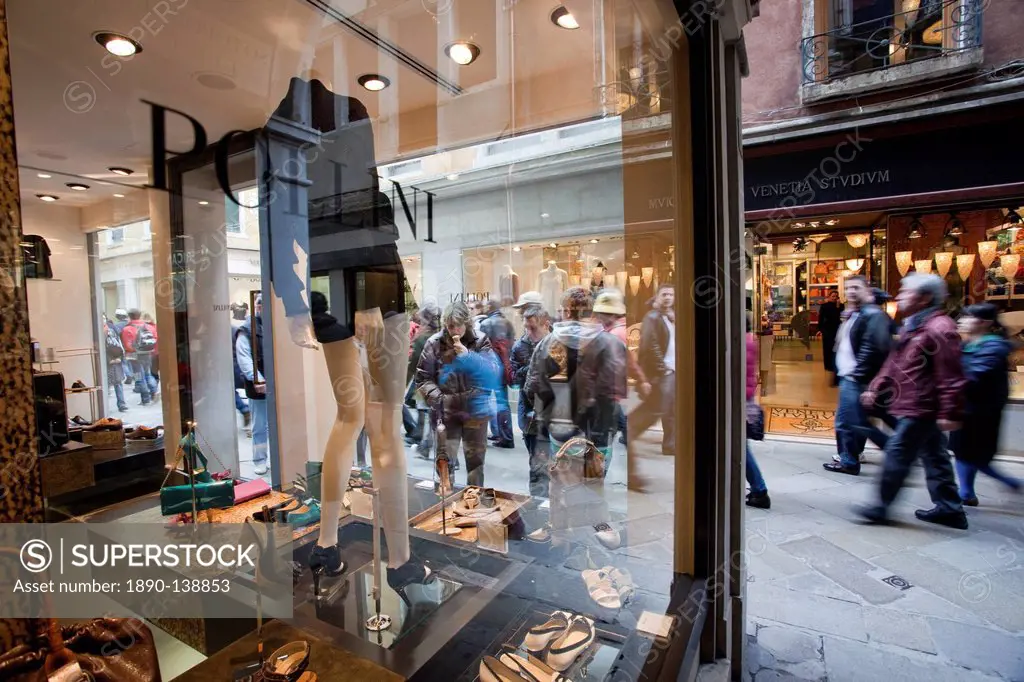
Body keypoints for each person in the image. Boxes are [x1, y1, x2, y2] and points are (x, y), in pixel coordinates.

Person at [858, 274, 968, 529]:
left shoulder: (940, 328)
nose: (899, 296)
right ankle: (950, 508)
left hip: (923, 406)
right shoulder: (914, 325)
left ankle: (880, 507)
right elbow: (895, 363)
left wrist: (950, 412)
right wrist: (876, 387)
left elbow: (951, 374)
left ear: (925, 298)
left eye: (906, 292)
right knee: (934, 456)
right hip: (915, 402)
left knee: (898, 454)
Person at [524, 287, 624, 488]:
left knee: (565, 488)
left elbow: (532, 389)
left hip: (562, 430)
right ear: (592, 312)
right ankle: (590, 519)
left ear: (566, 312)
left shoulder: (547, 344)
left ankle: (569, 519)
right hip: (600, 431)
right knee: (593, 489)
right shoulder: (611, 343)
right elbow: (619, 388)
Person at [416, 300, 501, 487]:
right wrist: (440, 400)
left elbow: (492, 372)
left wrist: (469, 356)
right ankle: (445, 504)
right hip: (447, 413)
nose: (454, 330)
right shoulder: (434, 343)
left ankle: (473, 503)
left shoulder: (480, 340)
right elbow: (423, 378)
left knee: (476, 464)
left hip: (475, 412)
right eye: (449, 325)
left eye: (458, 325)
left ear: (467, 322)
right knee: (445, 463)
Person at [951, 303, 1021, 505]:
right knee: (963, 451)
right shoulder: (968, 344)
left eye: (967, 317)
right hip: (966, 407)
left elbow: (974, 376)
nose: (962, 321)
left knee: (974, 455)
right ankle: (966, 492)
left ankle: (1009, 482)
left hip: (981, 411)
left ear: (984, 323)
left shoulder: (993, 347)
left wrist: (947, 382)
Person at [823, 275, 893, 475]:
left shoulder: (871, 314)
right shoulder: (856, 314)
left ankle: (895, 452)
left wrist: (859, 376)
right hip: (851, 377)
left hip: (857, 378)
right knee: (854, 421)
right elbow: (844, 345)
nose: (851, 291)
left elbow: (875, 348)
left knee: (852, 422)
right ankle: (850, 459)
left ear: (867, 291)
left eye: (856, 287)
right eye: (848, 288)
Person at [629, 283, 676, 466]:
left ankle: (670, 444)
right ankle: (630, 432)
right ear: (657, 296)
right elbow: (650, 344)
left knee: (670, 409)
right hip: (662, 372)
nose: (668, 297)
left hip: (671, 370)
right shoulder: (652, 317)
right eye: (664, 294)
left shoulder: (669, 317)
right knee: (654, 409)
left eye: (671, 294)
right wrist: (662, 368)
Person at [593, 288, 647, 444]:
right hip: (617, 390)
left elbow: (620, 364)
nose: (598, 317)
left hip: (610, 391)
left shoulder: (614, 334)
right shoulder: (620, 330)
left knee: (608, 432)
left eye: (600, 313)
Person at [511, 304, 550, 496]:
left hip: (555, 413)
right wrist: (533, 366)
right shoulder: (520, 346)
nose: (528, 332)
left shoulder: (557, 344)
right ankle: (538, 504)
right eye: (526, 327)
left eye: (533, 328)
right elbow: (512, 378)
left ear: (546, 325)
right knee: (537, 464)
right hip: (531, 414)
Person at [236, 294, 270, 476]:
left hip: (279, 385)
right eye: (261, 305)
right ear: (257, 307)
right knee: (260, 426)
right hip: (260, 386)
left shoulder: (276, 325)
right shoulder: (247, 329)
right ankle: (260, 459)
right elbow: (244, 358)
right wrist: (257, 378)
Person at [480, 298, 516, 449]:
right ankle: (506, 436)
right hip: (504, 364)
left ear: (489, 307)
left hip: (488, 365)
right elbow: (512, 343)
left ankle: (490, 435)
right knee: (502, 402)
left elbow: (479, 345)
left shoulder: (486, 323)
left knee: (483, 400)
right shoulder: (508, 323)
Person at [407, 304, 440, 459]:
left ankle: (425, 445)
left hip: (425, 382)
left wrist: (406, 380)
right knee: (435, 415)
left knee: (425, 412)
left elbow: (414, 363)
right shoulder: (442, 335)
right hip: (441, 382)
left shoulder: (422, 338)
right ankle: (424, 443)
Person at [746, 317, 769, 509]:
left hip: (738, 401)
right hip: (744, 398)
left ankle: (759, 490)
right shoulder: (749, 340)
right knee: (739, 448)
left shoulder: (740, 342)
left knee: (740, 449)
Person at [120, 309, 159, 406]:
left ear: (129, 316)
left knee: (139, 377)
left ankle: (145, 399)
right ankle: (154, 392)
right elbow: (155, 339)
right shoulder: (149, 327)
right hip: (147, 354)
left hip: (134, 356)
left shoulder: (127, 329)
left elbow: (127, 345)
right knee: (148, 374)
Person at [102, 316, 128, 412]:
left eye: (104, 318)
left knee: (117, 383)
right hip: (108, 361)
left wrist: (120, 357)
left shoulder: (110, 329)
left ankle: (121, 404)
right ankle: (105, 407)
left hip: (114, 359)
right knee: (108, 383)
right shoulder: (104, 330)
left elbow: (118, 343)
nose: (103, 320)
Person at [818, 290, 844, 386]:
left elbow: (840, 318)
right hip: (828, 331)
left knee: (837, 351)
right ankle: (829, 367)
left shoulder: (840, 306)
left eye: (836, 296)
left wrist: (838, 307)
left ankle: (835, 368)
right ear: (829, 296)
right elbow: (821, 319)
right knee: (828, 349)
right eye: (833, 296)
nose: (834, 298)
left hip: (838, 331)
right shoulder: (825, 306)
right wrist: (821, 330)